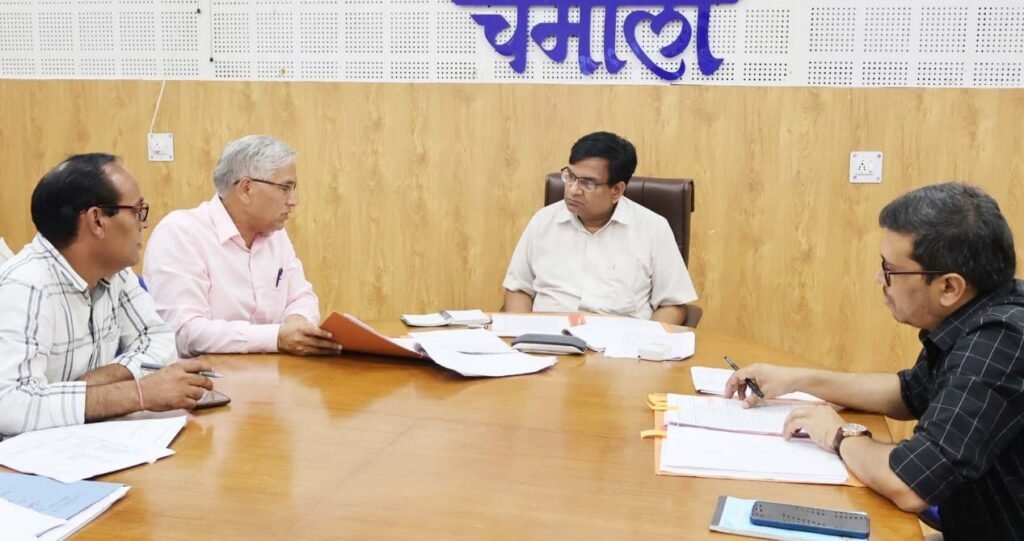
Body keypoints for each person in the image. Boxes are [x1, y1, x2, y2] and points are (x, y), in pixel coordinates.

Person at [726, 183, 1024, 540]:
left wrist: (839, 435)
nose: (878, 279)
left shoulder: (1002, 339)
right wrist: (797, 380)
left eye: (890, 269)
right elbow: (909, 392)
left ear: (949, 287)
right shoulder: (979, 316)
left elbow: (910, 484)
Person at [0, 154, 215, 439]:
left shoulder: (115, 273)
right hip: (27, 457)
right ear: (97, 220)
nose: (143, 224)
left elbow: (160, 340)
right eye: (137, 210)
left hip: (87, 440)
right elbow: (10, 404)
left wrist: (103, 379)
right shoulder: (26, 284)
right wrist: (138, 393)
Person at [143, 135, 341, 358]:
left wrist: (296, 322)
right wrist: (276, 337)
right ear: (246, 189)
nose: (294, 200)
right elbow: (185, 333)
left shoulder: (276, 234)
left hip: (273, 371)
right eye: (285, 188)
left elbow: (301, 296)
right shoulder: (181, 233)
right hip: (207, 376)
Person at [502, 132, 697, 324]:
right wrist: (521, 332)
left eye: (587, 183)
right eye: (570, 176)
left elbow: (672, 304)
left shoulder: (653, 229)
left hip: (620, 339)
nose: (573, 190)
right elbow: (518, 289)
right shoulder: (543, 221)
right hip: (547, 337)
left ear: (616, 190)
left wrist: (646, 340)